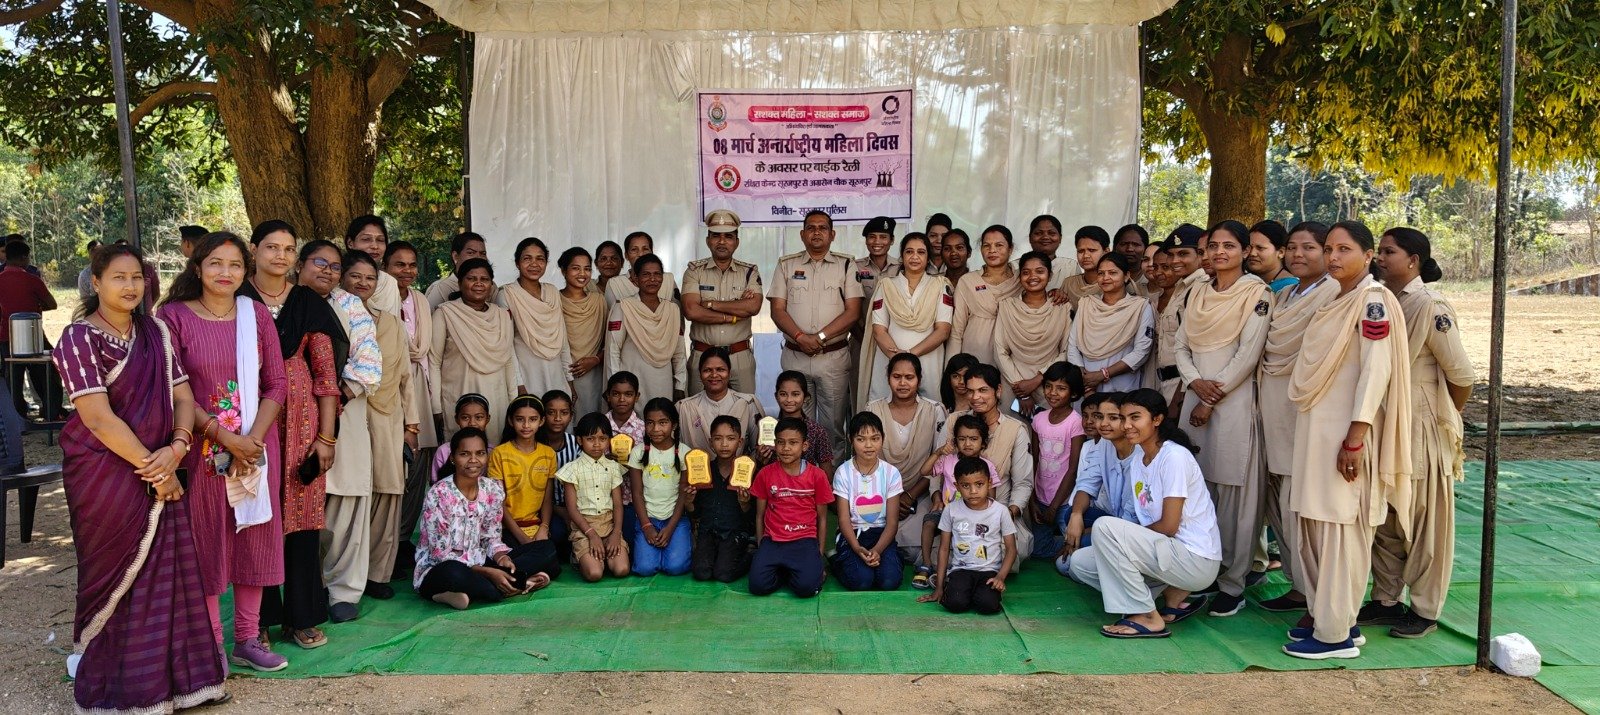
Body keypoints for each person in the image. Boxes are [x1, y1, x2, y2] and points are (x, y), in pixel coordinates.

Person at [54, 243, 228, 712]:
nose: (131, 286)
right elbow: (98, 419)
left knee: (166, 574)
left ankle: (180, 683)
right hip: (104, 475)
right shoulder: (78, 339)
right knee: (113, 569)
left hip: (164, 462)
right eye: (119, 277)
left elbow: (184, 397)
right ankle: (124, 685)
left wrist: (177, 447)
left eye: (137, 277)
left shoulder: (156, 333)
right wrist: (157, 470)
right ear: (96, 283)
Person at [156, 232, 289, 671]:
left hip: (255, 446)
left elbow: (277, 383)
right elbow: (174, 389)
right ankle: (211, 644)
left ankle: (247, 639)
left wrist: (251, 440)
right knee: (207, 537)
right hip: (200, 447)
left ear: (245, 270)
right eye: (215, 263)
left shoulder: (255, 314)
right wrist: (224, 437)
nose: (225, 272)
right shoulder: (172, 317)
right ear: (197, 268)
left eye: (234, 265)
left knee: (255, 537)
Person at [1282, 220, 1413, 660]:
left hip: (1346, 436)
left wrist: (1355, 437)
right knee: (1319, 524)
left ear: (1368, 255)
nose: (1334, 257)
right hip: (1318, 432)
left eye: (1344, 249)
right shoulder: (1335, 298)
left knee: (1342, 527)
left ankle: (1334, 635)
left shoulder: (1372, 301)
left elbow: (1376, 371)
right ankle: (1339, 620)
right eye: (1329, 249)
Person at [1361, 227, 1474, 639]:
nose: (1380, 258)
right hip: (1384, 423)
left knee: (1426, 520)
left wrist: (1442, 414)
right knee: (1386, 516)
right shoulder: (1380, 300)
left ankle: (1425, 609)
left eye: (1389, 252)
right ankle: (1385, 599)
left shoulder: (1430, 305)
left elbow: (1461, 375)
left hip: (1420, 428)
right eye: (1379, 251)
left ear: (1413, 260)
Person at [241, 222, 344, 650]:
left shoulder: (307, 302)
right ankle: (259, 619)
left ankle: (301, 617)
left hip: (302, 423)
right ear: (253, 250)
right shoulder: (236, 299)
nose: (280, 256)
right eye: (271, 247)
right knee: (256, 516)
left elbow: (326, 376)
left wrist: (326, 438)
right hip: (250, 419)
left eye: (288, 249)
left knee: (302, 519)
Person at [1174, 220, 1272, 617]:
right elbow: (1181, 346)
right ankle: (1205, 570)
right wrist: (1195, 384)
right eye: (1213, 246)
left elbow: (1248, 354)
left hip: (1232, 402)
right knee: (1198, 486)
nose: (1219, 253)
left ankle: (1234, 582)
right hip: (1195, 396)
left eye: (1229, 246)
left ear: (1245, 251)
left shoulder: (1257, 293)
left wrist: (1211, 399)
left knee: (1234, 494)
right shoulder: (1197, 291)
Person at [1066, 389, 1222, 638]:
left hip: (1194, 559)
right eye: (1124, 418)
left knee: (1105, 528)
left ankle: (1146, 615)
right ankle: (1168, 592)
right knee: (1080, 564)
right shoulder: (1141, 460)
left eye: (1135, 417)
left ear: (1157, 419)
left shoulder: (1174, 457)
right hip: (1165, 553)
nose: (1127, 425)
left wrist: (1123, 541)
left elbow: (1169, 526)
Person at [1255, 221, 1339, 613]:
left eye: (1309, 247)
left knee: (1300, 505)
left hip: (1305, 410)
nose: (1298, 254)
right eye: (1292, 247)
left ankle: (1317, 593)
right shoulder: (1285, 294)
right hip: (1272, 408)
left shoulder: (1334, 294)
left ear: (1326, 253)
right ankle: (1298, 584)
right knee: (1279, 503)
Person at [314, 247, 385, 624]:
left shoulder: (351, 307)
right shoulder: (285, 302)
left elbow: (369, 364)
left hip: (346, 409)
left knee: (348, 500)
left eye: (333, 266)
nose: (327, 272)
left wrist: (332, 399)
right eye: (319, 264)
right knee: (303, 502)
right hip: (294, 413)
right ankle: (307, 588)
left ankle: (343, 589)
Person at [415, 428, 557, 610]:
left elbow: (491, 538)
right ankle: (515, 583)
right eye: (465, 454)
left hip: (482, 560)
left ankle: (497, 584)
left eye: (480, 453)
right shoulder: (439, 494)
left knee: (547, 549)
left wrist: (501, 557)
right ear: (452, 458)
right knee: (455, 573)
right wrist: (488, 573)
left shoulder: (492, 489)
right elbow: (439, 555)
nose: (473, 460)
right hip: (443, 567)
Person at [345, 252, 418, 601]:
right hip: (346, 417)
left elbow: (405, 377)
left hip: (389, 418)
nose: (363, 283)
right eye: (355, 276)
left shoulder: (389, 322)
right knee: (349, 495)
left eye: (370, 278)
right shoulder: (331, 315)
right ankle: (341, 576)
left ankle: (376, 573)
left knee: (388, 492)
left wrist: (411, 426)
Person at [768, 210, 862, 457]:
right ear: (802, 234)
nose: (816, 232)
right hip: (795, 356)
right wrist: (800, 337)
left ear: (832, 235)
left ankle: (831, 478)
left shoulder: (846, 264)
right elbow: (777, 310)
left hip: (832, 358)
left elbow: (853, 312)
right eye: (811, 228)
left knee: (833, 427)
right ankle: (800, 476)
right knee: (795, 427)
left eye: (822, 228)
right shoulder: (786, 265)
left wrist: (819, 338)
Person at [383, 240, 440, 567]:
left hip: (420, 385)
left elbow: (426, 354)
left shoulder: (420, 300)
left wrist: (432, 398)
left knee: (417, 466)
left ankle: (404, 539)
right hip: (390, 388)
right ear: (385, 267)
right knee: (393, 467)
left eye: (411, 264)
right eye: (399, 264)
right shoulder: (377, 300)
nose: (406, 271)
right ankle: (384, 543)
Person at [945, 363, 1035, 567]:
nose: (976, 397)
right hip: (955, 510)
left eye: (983, 390)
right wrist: (936, 498)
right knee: (936, 545)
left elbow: (1023, 483)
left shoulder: (1015, 429)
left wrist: (1006, 514)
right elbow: (939, 467)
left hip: (998, 511)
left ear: (998, 390)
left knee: (1003, 551)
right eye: (970, 391)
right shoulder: (954, 421)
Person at [865, 352, 948, 566]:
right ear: (888, 378)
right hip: (880, 492)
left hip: (921, 492)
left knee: (915, 548)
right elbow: (866, 460)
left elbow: (939, 462)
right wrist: (893, 497)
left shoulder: (934, 410)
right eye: (897, 377)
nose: (902, 383)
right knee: (867, 536)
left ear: (919, 379)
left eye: (909, 377)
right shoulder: (873, 409)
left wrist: (910, 495)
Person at [431, 258, 524, 443]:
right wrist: (436, 408)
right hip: (459, 396)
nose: (479, 284)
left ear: (491, 284)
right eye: (471, 278)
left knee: (495, 450)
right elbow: (434, 362)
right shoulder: (445, 313)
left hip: (497, 399)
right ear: (460, 283)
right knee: (462, 451)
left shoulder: (502, 315)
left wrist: (513, 402)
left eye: (485, 279)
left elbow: (508, 361)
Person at [861, 232, 952, 407]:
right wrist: (897, 359)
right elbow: (879, 330)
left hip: (928, 361)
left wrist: (910, 355)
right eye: (909, 251)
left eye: (921, 252)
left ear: (928, 257)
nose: (915, 257)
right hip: (890, 360)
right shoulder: (886, 285)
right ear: (902, 256)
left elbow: (943, 330)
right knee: (884, 410)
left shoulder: (941, 285)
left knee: (929, 410)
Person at [917, 456, 1017, 615]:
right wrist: (939, 588)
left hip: (989, 571)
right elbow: (944, 549)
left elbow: (1011, 549)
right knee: (955, 604)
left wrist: (1000, 577)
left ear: (989, 483)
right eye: (965, 485)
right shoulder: (951, 510)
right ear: (956, 486)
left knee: (988, 606)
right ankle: (951, 585)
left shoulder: (1001, 511)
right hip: (961, 569)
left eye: (979, 484)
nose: (973, 491)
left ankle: (975, 592)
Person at [748, 417, 834, 597]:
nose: (786, 448)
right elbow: (759, 515)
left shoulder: (817, 476)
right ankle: (786, 571)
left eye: (793, 443)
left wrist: (818, 554)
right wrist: (761, 545)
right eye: (781, 442)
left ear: (805, 446)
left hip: (804, 540)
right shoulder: (765, 474)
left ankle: (802, 570)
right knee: (757, 586)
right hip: (773, 541)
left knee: (807, 588)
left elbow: (822, 518)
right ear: (775, 444)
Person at [681, 210, 763, 394]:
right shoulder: (694, 271)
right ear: (707, 240)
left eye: (728, 236)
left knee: (744, 407)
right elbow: (691, 310)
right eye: (716, 236)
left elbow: (753, 307)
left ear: (737, 242)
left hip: (739, 357)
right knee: (698, 410)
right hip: (702, 355)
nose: (722, 241)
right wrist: (732, 316)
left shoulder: (749, 272)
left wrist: (711, 304)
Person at [913, 413, 998, 588]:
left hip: (972, 516)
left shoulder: (987, 466)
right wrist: (938, 452)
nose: (967, 444)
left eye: (973, 439)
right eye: (962, 439)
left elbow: (991, 497)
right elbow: (924, 471)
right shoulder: (948, 460)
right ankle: (926, 565)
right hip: (946, 512)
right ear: (955, 441)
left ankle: (957, 572)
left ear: (983, 443)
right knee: (929, 522)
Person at [831, 411, 905, 591]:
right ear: (851, 440)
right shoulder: (843, 472)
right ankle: (836, 561)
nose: (869, 445)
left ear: (883, 438)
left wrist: (877, 550)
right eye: (861, 439)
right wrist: (857, 548)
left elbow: (892, 522)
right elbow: (843, 519)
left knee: (889, 582)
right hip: (853, 535)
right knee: (862, 582)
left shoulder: (891, 473)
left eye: (875, 438)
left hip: (882, 535)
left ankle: (890, 559)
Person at [1061, 393, 1139, 560]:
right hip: (1113, 521)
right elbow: (1087, 484)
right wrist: (1076, 516)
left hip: (1135, 530)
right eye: (1099, 416)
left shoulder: (1141, 454)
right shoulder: (1104, 443)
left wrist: (1084, 533)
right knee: (1070, 514)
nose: (1103, 423)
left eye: (1113, 418)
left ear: (1126, 421)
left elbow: (1132, 519)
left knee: (1072, 559)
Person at [995, 251, 1071, 414]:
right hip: (1013, 383)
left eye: (1039, 271)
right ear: (1019, 277)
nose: (1032, 277)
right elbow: (1000, 350)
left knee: (1049, 428)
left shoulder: (1062, 307)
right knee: (1013, 428)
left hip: (1050, 384)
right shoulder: (1007, 306)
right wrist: (1021, 389)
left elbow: (1066, 350)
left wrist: (1038, 379)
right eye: (1026, 272)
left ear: (1050, 275)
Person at [559, 413, 632, 581]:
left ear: (609, 440)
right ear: (580, 440)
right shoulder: (572, 469)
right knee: (594, 573)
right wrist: (591, 535)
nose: (597, 444)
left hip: (609, 525)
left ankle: (603, 556)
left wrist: (616, 533)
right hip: (584, 527)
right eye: (590, 439)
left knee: (621, 569)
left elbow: (618, 504)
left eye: (603, 439)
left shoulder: (613, 467)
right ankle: (582, 557)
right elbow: (572, 509)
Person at [1070, 253, 1156, 395]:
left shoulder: (1140, 306)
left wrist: (1103, 374)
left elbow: (1141, 351)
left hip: (1122, 386)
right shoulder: (1086, 304)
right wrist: (1083, 376)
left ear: (1126, 276)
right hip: (1086, 386)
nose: (1106, 278)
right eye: (1101, 273)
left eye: (1112, 273)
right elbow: (1073, 345)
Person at [489, 395, 561, 566]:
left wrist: (544, 527)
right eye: (520, 419)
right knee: (546, 559)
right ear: (510, 421)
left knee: (551, 555)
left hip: (536, 525)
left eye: (533, 419)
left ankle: (517, 572)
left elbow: (547, 498)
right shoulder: (499, 453)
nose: (526, 425)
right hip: (507, 527)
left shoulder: (548, 453)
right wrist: (524, 539)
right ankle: (521, 571)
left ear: (541, 421)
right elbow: (498, 503)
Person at [498, 237, 573, 398]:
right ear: (517, 263)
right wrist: (519, 384)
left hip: (556, 374)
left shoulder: (552, 292)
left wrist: (569, 379)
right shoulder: (507, 294)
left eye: (540, 259)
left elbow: (562, 339)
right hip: (527, 375)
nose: (534, 264)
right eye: (527, 258)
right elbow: (507, 345)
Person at [607, 253, 686, 403]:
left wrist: (680, 385)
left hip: (663, 381)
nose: (652, 279)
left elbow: (679, 352)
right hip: (631, 381)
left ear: (663, 278)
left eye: (657, 274)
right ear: (635, 278)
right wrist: (614, 386)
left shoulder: (672, 310)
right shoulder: (623, 307)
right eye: (646, 274)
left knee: (661, 414)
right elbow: (613, 350)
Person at [627, 398, 692, 576]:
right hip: (648, 518)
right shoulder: (638, 452)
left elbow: (683, 494)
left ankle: (669, 550)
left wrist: (670, 528)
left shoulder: (685, 452)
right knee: (645, 568)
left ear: (674, 425)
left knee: (675, 567)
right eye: (650, 423)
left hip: (675, 519)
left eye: (663, 423)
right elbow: (637, 493)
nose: (655, 429)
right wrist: (646, 526)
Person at [0, 238, 63, 418]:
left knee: (12, 379)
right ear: (24, 258)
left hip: (6, 336)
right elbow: (52, 304)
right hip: (33, 334)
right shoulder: (31, 279)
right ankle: (52, 411)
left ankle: (16, 417)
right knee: (48, 373)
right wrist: (35, 306)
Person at [689, 415, 757, 582]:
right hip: (708, 532)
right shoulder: (703, 472)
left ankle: (751, 554)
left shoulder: (746, 471)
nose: (724, 444)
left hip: (734, 533)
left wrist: (744, 503)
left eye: (731, 439)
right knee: (702, 573)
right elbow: (695, 512)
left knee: (723, 574)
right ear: (711, 442)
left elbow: (753, 516)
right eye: (718, 439)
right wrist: (688, 501)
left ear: (740, 442)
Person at [1030, 362, 1087, 558]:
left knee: (1074, 546)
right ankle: (1065, 545)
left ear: (1073, 393)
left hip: (1065, 501)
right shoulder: (1039, 419)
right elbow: (1034, 461)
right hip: (1041, 498)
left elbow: (1073, 468)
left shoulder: (1076, 422)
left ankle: (1077, 545)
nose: (1052, 393)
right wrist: (1032, 500)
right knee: (1038, 551)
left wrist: (1054, 506)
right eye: (1048, 386)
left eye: (1061, 388)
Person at [1148, 225, 1205, 405]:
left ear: (1200, 254)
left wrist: (1179, 396)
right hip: (1166, 382)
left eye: (1183, 254)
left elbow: (1195, 349)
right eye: (1171, 255)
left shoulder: (1201, 287)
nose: (1175, 260)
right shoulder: (1182, 287)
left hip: (1185, 385)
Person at [948, 225, 1018, 367]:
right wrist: (952, 368)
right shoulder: (968, 281)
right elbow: (956, 331)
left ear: (1010, 249)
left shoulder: (1022, 280)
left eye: (999, 245)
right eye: (986, 245)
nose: (992, 250)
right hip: (974, 357)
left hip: (1012, 357)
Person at [676, 348, 766, 454]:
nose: (714, 375)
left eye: (720, 370)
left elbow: (758, 448)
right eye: (707, 370)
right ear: (700, 374)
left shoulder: (747, 403)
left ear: (729, 373)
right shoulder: (685, 407)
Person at [557, 247, 608, 413]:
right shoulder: (554, 299)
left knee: (591, 420)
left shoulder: (599, 300)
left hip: (594, 374)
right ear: (563, 271)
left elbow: (609, 341)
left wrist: (595, 360)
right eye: (575, 268)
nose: (582, 274)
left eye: (587, 269)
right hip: (562, 372)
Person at [772, 370, 835, 475]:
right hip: (773, 483)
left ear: (805, 397)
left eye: (795, 394)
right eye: (783, 394)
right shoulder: (768, 428)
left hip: (808, 484)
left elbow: (826, 472)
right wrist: (761, 458)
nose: (789, 399)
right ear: (776, 396)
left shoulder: (816, 431)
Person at [343, 215, 402, 315]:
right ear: (350, 243)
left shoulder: (389, 283)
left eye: (380, 240)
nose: (375, 246)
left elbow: (393, 323)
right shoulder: (335, 278)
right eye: (366, 239)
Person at [604, 231, 681, 309]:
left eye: (645, 249)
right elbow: (614, 313)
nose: (640, 254)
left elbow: (677, 312)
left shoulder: (668, 279)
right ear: (626, 255)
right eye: (634, 249)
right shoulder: (615, 284)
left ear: (652, 252)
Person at [432, 393, 492, 484]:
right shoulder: (444, 451)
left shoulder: (493, 451)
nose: (472, 423)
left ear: (487, 419)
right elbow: (435, 483)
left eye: (479, 417)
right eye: (465, 418)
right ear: (457, 419)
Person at [425, 232, 494, 309]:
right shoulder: (441, 288)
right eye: (471, 253)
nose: (478, 258)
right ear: (456, 256)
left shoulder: (491, 287)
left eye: (483, 254)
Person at [1057, 226, 1108, 310]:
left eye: (1092, 250)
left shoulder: (1112, 283)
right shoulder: (1069, 283)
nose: (1085, 256)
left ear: (1106, 252)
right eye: (1081, 251)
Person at [1248, 220, 1299, 291]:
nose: (1252, 253)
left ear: (1281, 252)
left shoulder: (1290, 288)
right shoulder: (1245, 282)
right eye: (1249, 248)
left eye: (1260, 248)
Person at [1114, 224, 1152, 296]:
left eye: (1136, 244)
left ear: (1146, 248)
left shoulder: (1151, 277)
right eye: (1124, 244)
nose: (1129, 249)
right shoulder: (1105, 275)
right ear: (1115, 247)